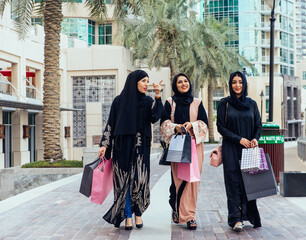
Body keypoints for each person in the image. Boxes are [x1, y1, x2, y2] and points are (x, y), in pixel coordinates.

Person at [98, 70, 163, 230]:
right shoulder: (119, 101)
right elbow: (111, 124)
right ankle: (128, 215)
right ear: (134, 82)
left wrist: (158, 96)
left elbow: (155, 117)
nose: (146, 84)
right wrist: (104, 144)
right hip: (122, 147)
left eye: (147, 81)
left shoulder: (147, 101)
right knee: (124, 183)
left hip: (141, 148)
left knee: (139, 181)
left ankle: (138, 213)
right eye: (143, 81)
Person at [160, 73, 208, 230]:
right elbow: (163, 124)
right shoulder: (170, 102)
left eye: (185, 81)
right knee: (179, 180)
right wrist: (176, 127)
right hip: (178, 145)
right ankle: (177, 209)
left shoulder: (197, 103)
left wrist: (192, 125)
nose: (183, 84)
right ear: (175, 85)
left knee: (192, 181)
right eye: (179, 82)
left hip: (195, 147)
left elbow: (204, 125)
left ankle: (190, 216)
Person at [216, 71, 262, 231]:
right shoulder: (225, 104)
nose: (237, 85)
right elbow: (220, 127)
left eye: (240, 82)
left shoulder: (252, 104)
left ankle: (250, 216)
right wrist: (239, 139)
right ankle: (236, 219)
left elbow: (258, 125)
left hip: (249, 149)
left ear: (244, 84)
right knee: (233, 182)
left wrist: (255, 138)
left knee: (249, 183)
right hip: (231, 149)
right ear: (230, 84)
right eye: (234, 82)